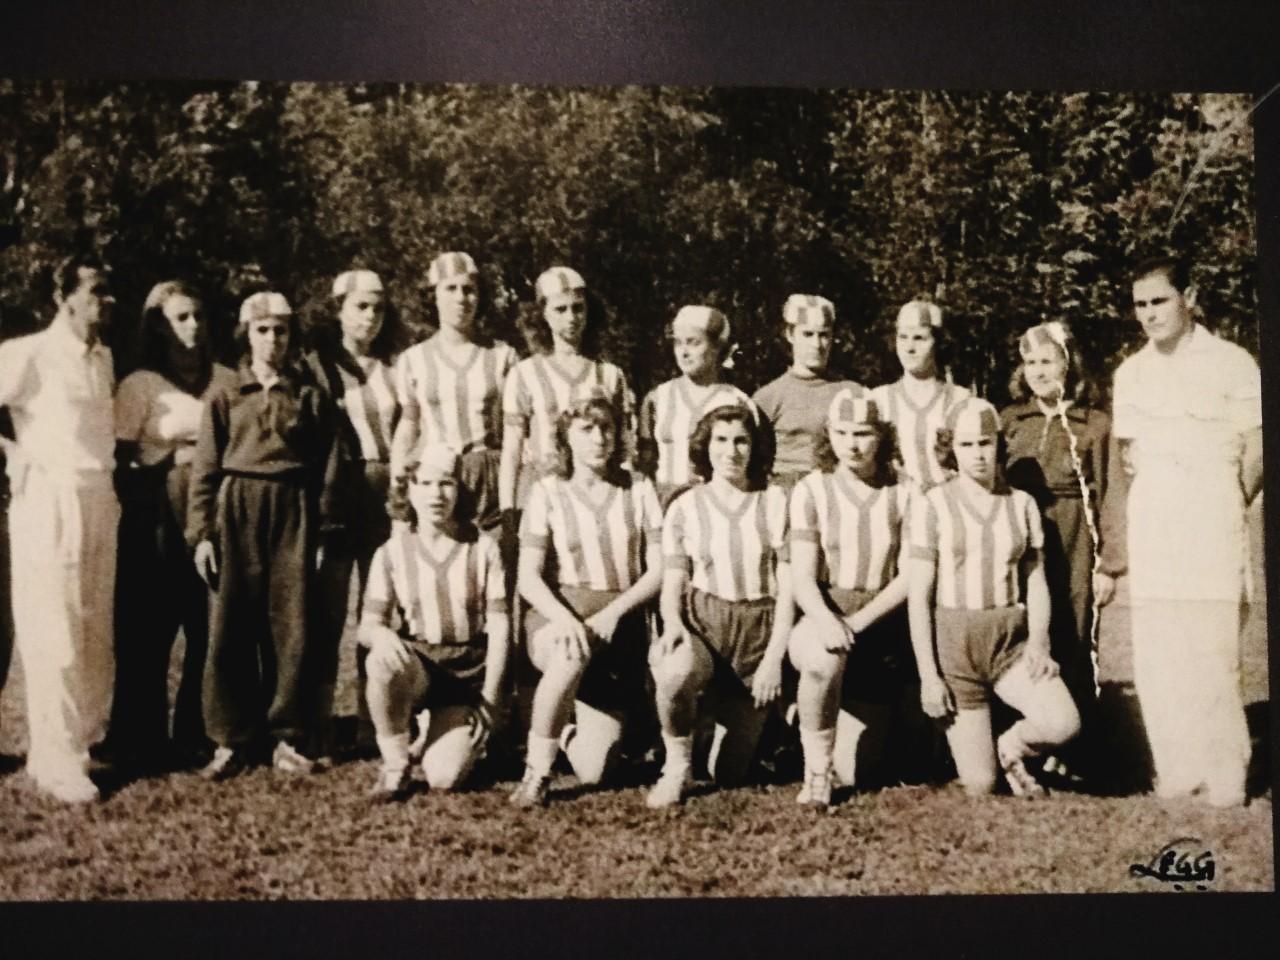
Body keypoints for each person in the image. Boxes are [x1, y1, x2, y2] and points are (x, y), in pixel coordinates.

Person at [1103, 255, 1262, 807]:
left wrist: (1220, 502)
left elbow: (1257, 450)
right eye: (1140, 304)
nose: (1149, 314)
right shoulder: (1130, 374)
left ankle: (1225, 775)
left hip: (1212, 520)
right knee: (1160, 652)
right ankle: (1177, 770)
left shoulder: (1233, 363)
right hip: (1157, 524)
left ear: (1189, 296)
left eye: (1159, 301)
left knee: (1213, 650)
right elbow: (1131, 459)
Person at [188, 291, 344, 780]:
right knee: (229, 623)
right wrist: (202, 535)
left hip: (293, 508)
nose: (272, 340)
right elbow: (205, 470)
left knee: (291, 624)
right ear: (246, 334)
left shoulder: (309, 394)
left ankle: (286, 736)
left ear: (291, 336)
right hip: (236, 509)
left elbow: (329, 467)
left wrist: (322, 530)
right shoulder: (226, 392)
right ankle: (230, 738)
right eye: (262, 330)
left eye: (281, 330)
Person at [907, 397, 1080, 797]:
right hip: (956, 645)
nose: (978, 454)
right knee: (980, 784)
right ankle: (980, 752)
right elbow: (919, 597)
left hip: (1009, 641)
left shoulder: (1021, 504)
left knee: (1063, 723)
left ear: (998, 444)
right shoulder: (933, 504)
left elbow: (1036, 581)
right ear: (951, 448)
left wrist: (1039, 641)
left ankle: (1012, 746)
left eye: (985, 443)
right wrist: (929, 676)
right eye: (966, 445)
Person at [0, 256, 119, 803]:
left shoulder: (105, 358)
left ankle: (81, 743)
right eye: (96, 291)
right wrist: (13, 455)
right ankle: (52, 760)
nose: (106, 300)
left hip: (100, 497)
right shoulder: (29, 353)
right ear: (64, 297)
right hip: (50, 502)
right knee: (56, 630)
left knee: (94, 627)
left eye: (109, 291)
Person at [106, 280, 237, 773]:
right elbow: (117, 462)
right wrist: (170, 465)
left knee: (207, 625)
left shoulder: (227, 379)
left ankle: (197, 732)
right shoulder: (139, 385)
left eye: (199, 316)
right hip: (154, 517)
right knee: (147, 628)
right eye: (181, 318)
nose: (194, 327)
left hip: (213, 515)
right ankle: (138, 736)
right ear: (159, 326)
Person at [510, 387, 663, 807]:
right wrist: (562, 619)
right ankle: (537, 772)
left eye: (607, 429)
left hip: (618, 622)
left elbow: (659, 569)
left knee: (597, 769)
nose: (598, 439)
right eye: (586, 429)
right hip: (560, 616)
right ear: (566, 437)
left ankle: (566, 727)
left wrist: (615, 613)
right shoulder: (547, 490)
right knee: (568, 655)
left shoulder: (638, 486)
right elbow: (528, 577)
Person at [646, 402, 793, 807]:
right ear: (705, 446)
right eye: (721, 440)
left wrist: (773, 659)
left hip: (758, 629)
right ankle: (676, 767)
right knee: (674, 671)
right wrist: (673, 623)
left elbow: (788, 588)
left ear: (755, 446)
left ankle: (716, 726)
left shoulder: (776, 501)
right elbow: (673, 582)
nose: (731, 451)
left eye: (741, 440)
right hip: (705, 625)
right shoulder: (685, 506)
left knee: (730, 773)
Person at [358, 442, 510, 801]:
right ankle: (395, 765)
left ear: (460, 490)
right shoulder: (391, 552)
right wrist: (381, 637)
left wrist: (490, 699)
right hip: (421, 666)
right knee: (379, 661)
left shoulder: (483, 548)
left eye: (446, 484)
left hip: (467, 671)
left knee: (444, 777)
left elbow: (500, 629)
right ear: (408, 490)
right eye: (424, 484)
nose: (435, 495)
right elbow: (367, 625)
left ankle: (441, 729)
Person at [787, 391, 912, 807]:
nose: (852, 444)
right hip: (825, 614)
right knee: (824, 659)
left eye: (863, 433)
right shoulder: (811, 489)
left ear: (882, 436)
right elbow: (802, 576)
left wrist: (857, 624)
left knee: (863, 770)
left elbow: (910, 576)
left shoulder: (906, 492)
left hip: (880, 624)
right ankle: (816, 769)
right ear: (829, 435)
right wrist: (826, 619)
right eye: (841, 433)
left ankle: (814, 715)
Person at [1001, 321, 1114, 779]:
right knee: (1019, 627)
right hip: (1021, 538)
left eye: (1047, 361)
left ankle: (1074, 748)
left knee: (1072, 628)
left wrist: (1110, 563)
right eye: (1030, 363)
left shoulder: (1095, 424)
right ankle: (1019, 728)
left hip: (1073, 538)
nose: (1038, 371)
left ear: (1068, 363)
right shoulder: (1011, 420)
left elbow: (1110, 497)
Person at [306, 269, 401, 757]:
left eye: (379, 307)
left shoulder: (396, 366)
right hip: (339, 492)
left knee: (380, 606)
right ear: (339, 309)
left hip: (386, 493)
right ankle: (319, 720)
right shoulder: (318, 365)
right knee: (330, 609)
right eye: (362, 306)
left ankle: (373, 717)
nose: (371, 316)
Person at [391, 253, 517, 532]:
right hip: (436, 473)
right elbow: (409, 425)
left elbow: (516, 429)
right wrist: (398, 480)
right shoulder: (414, 360)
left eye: (469, 289)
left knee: (492, 560)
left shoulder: (502, 355)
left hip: (489, 474)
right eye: (450, 288)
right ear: (432, 296)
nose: (461, 298)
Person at [637, 304, 755, 510]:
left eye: (693, 343)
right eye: (678, 343)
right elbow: (645, 462)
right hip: (663, 503)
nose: (683, 352)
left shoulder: (737, 401)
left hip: (716, 502)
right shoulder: (658, 398)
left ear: (716, 346)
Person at [752, 294, 864, 493]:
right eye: (808, 334)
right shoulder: (768, 397)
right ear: (790, 334)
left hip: (838, 490)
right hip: (785, 491)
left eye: (824, 335)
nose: (817, 345)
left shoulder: (851, 392)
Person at [871, 300, 971, 492]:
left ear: (938, 343)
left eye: (919, 338)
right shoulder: (879, 400)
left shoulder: (961, 399)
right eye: (903, 337)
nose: (909, 347)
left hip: (950, 505)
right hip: (898, 505)